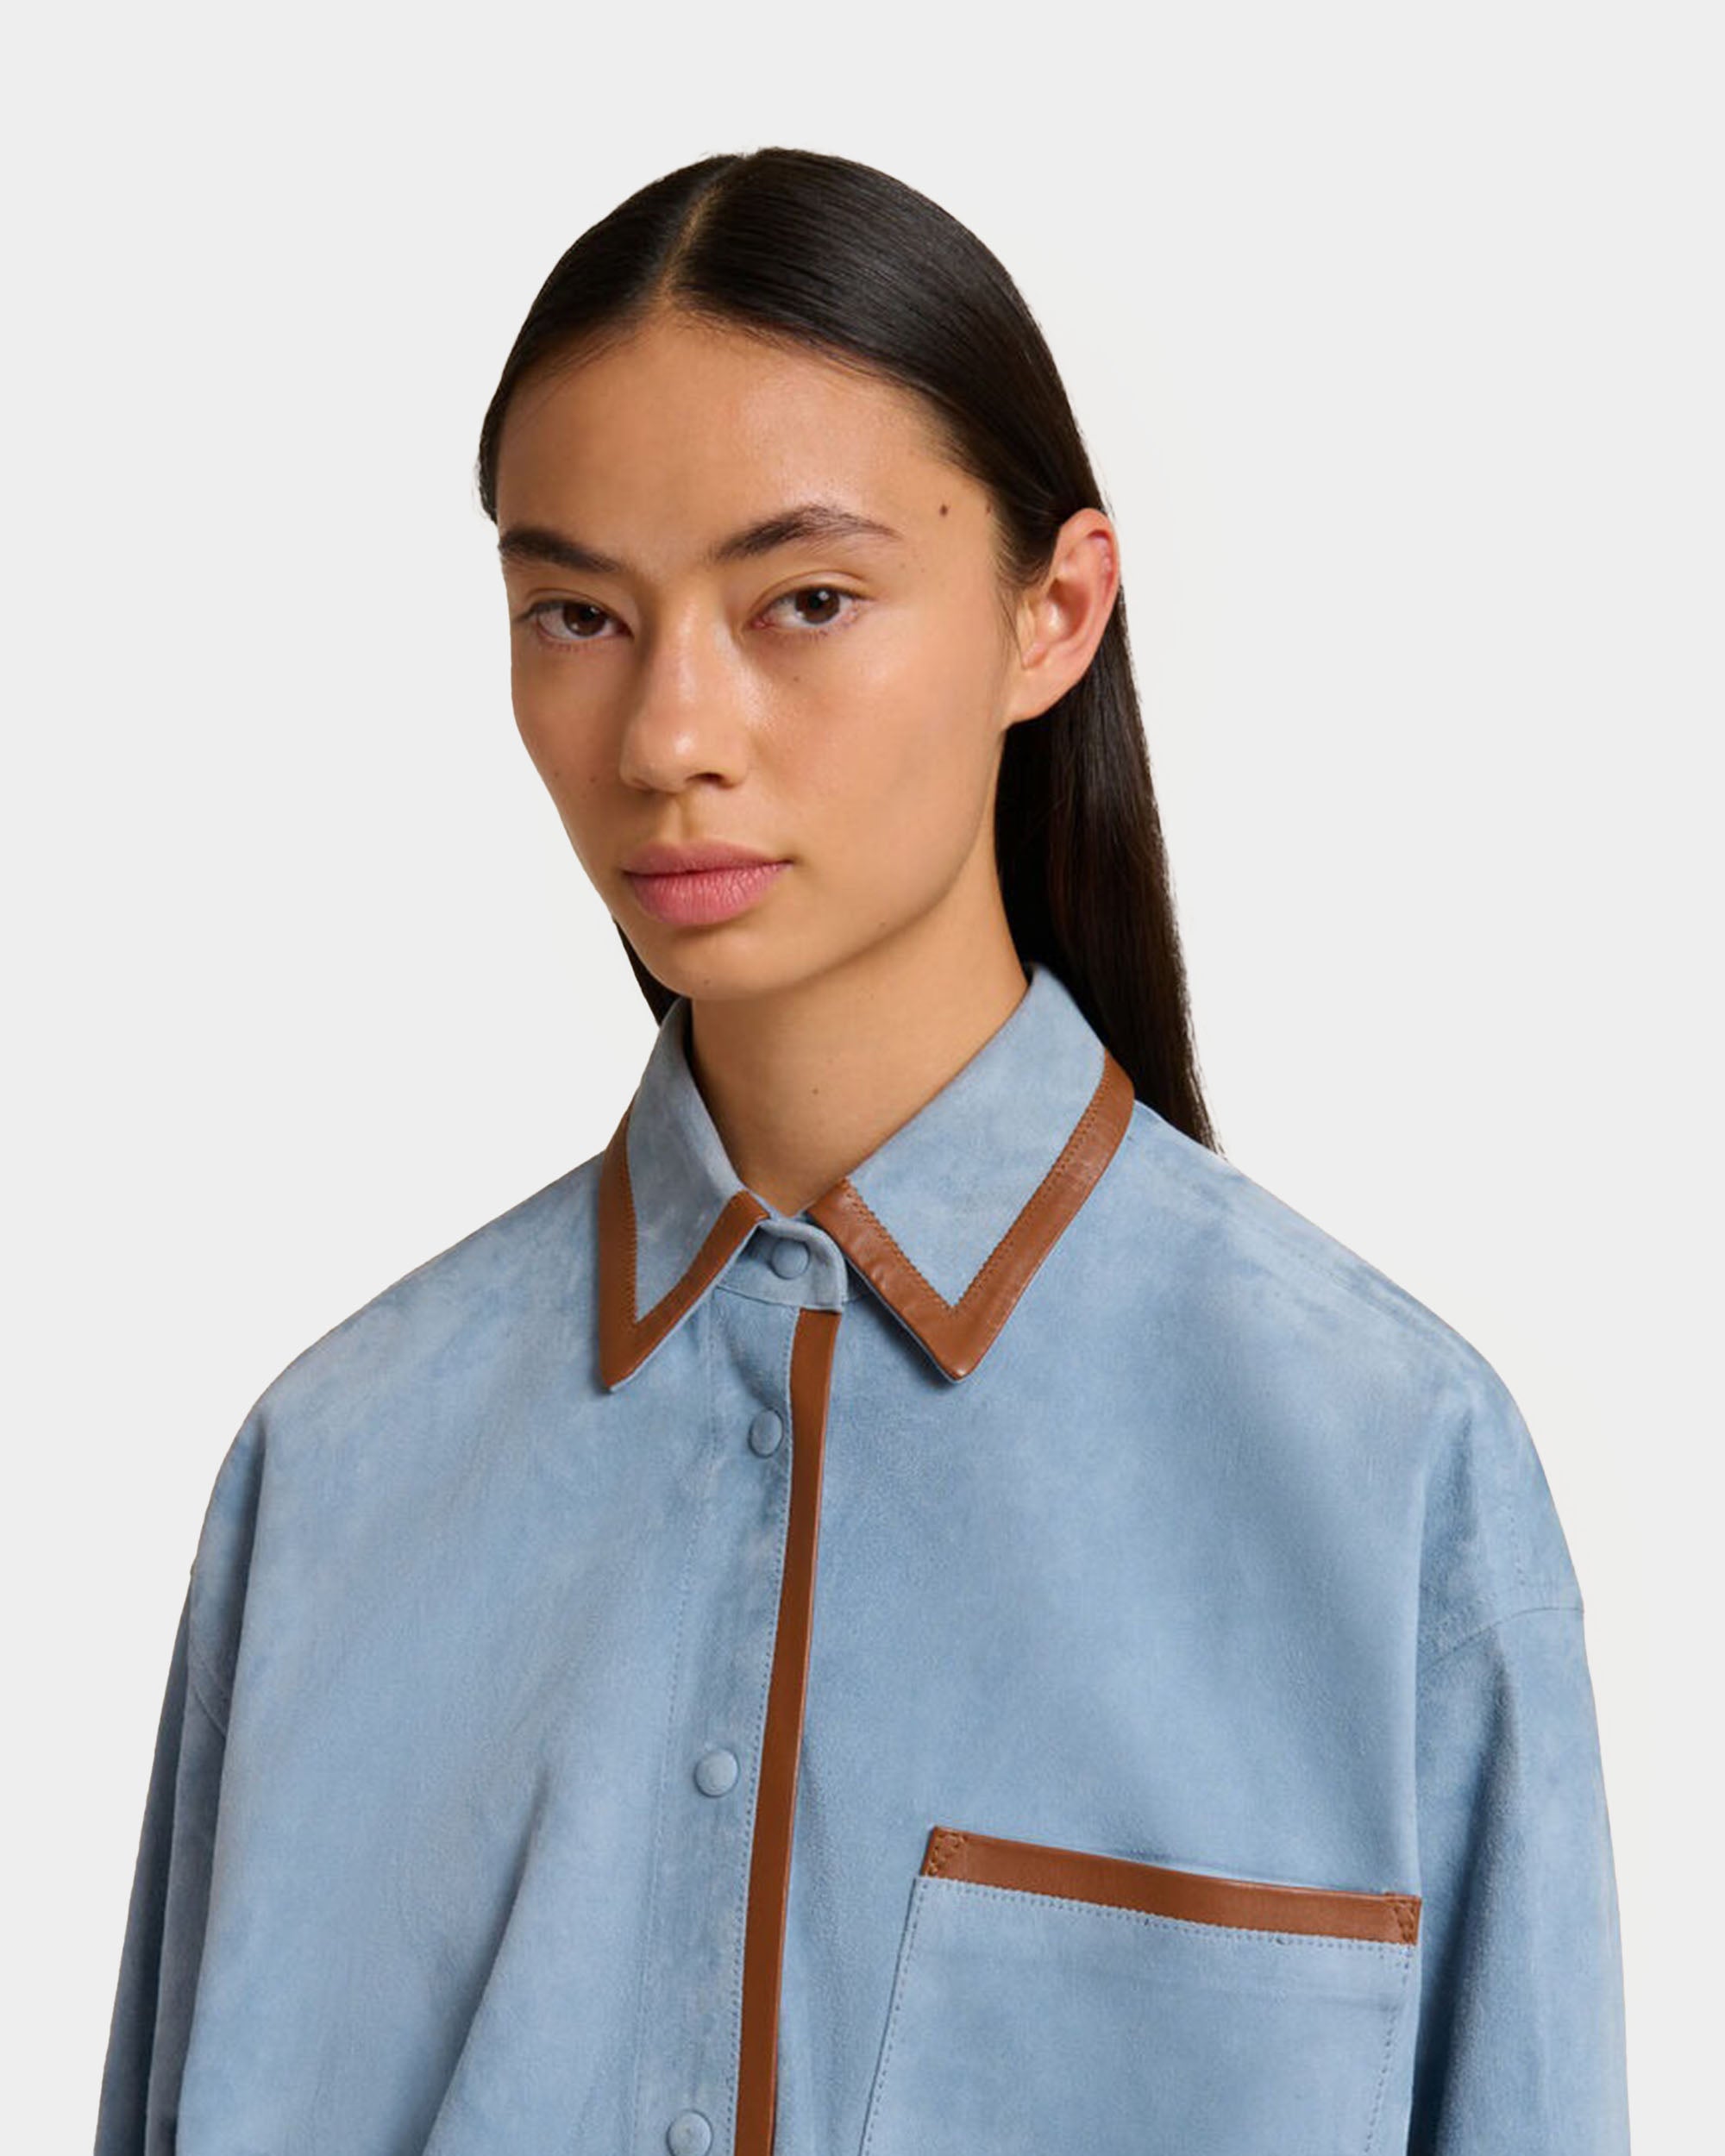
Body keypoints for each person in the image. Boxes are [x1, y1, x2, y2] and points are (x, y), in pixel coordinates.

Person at [94, 147, 1630, 2156]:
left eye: (803, 600)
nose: (668, 734)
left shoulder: (1384, 1466)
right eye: (577, 612)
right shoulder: (338, 1471)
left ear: (1051, 612)